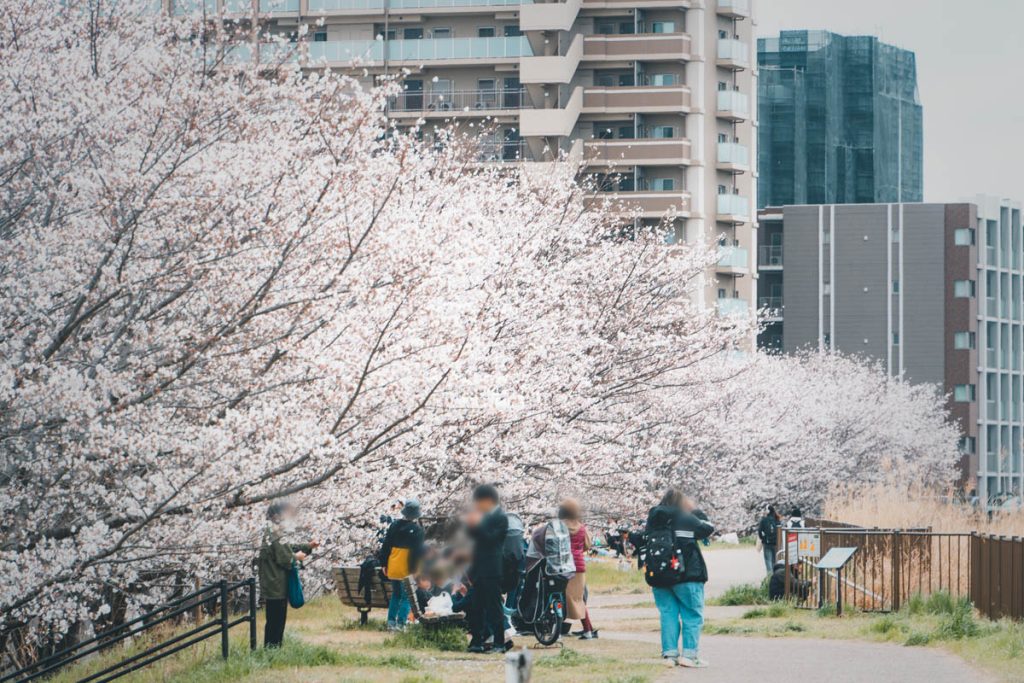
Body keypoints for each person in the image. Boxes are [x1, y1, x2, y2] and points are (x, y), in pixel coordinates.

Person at [644, 489, 714, 668]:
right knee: (692, 615)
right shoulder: (685, 518)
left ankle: (670, 655)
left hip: (659, 576)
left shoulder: (653, 520)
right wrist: (695, 511)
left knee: (668, 614)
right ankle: (689, 656)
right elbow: (707, 528)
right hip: (687, 575)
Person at [257, 502, 317, 648]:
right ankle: (273, 649)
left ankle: (271, 649)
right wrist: (297, 557)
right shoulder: (276, 534)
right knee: (277, 621)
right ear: (275, 516)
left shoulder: (271, 532)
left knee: (273, 620)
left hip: (272, 583)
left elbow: (287, 548)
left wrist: (307, 547)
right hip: (277, 584)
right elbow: (286, 558)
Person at [466, 484, 509, 653]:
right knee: (476, 607)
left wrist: (478, 525)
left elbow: (492, 539)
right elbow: (473, 538)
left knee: (494, 607)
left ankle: (499, 643)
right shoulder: (482, 516)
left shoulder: (501, 517)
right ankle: (477, 641)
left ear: (488, 500)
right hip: (478, 568)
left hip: (492, 569)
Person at [380, 498, 425, 631]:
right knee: (407, 596)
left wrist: (384, 563)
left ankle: (391, 623)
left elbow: (386, 545)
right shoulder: (418, 530)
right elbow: (416, 553)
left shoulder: (394, 525)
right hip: (407, 567)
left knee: (396, 594)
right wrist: (415, 570)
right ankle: (401, 623)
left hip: (393, 564)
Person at [559, 498, 598, 639]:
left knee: (558, 596)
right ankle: (588, 630)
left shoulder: (560, 526)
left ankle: (558, 630)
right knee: (578, 599)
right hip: (579, 566)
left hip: (563, 565)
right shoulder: (581, 527)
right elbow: (587, 545)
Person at [756, 505, 781, 575]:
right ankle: (775, 575)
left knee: (768, 560)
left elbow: (760, 531)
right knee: (774, 560)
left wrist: (763, 539)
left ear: (767, 512)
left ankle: (769, 576)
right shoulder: (777, 520)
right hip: (775, 543)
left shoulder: (764, 520)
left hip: (767, 543)